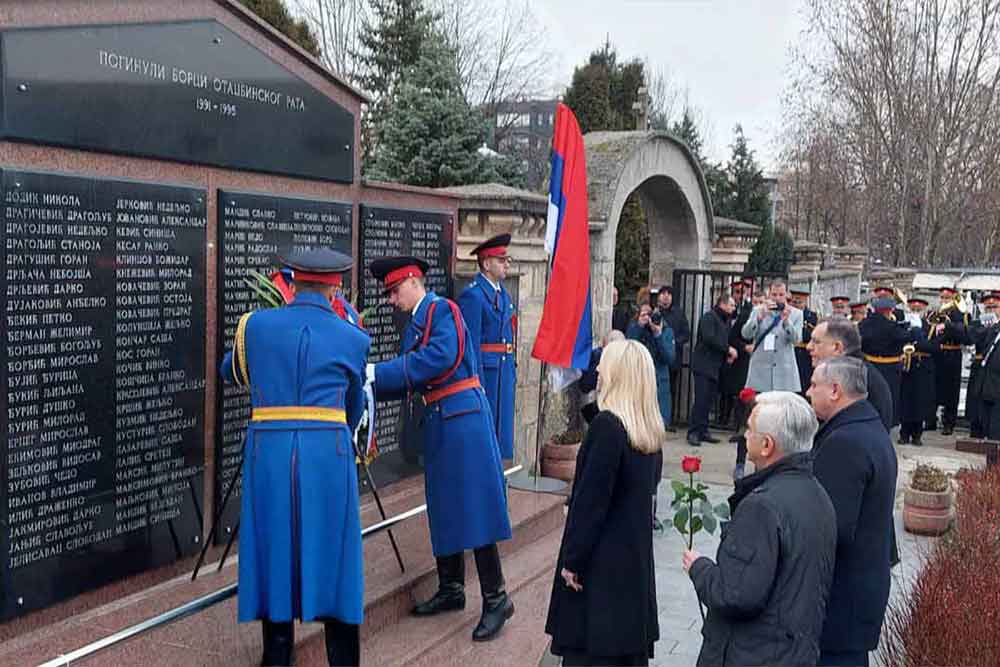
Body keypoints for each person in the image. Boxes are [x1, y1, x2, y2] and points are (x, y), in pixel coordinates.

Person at [220, 248, 368, 667]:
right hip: (328, 455)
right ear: (335, 284)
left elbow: (230, 370)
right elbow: (353, 408)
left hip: (270, 453)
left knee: (274, 548)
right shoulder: (352, 337)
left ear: (292, 280)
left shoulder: (256, 326)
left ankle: (278, 654)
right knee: (334, 556)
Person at [367, 256, 514, 642]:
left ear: (413, 282)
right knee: (446, 506)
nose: (391, 300)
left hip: (463, 420)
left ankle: (497, 598)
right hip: (442, 421)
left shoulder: (442, 310)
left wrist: (376, 373)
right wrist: (367, 384)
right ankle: (452, 588)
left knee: (475, 508)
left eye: (394, 291)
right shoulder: (419, 319)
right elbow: (409, 375)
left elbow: (437, 359)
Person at [682, 391, 836, 667]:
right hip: (794, 651)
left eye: (749, 430)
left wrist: (700, 567)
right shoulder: (818, 494)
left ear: (767, 445)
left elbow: (735, 595)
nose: (743, 436)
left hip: (753, 655)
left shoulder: (762, 506)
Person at [546, 339, 664, 666]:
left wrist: (573, 561)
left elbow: (591, 504)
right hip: (630, 571)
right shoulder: (646, 431)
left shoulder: (608, 428)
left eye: (604, 364)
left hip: (600, 576)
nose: (597, 369)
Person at [807, 356, 898, 667]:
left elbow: (830, 527)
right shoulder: (868, 427)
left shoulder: (845, 441)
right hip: (858, 595)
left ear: (835, 390)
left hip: (841, 601)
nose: (808, 392)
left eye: (814, 385)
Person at [457, 233, 517, 461]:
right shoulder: (473, 296)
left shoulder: (503, 295)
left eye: (507, 259)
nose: (507, 264)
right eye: (501, 260)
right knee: (485, 437)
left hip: (503, 373)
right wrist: (476, 381)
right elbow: (470, 345)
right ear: (486, 263)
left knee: (501, 440)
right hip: (487, 376)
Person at [807, 316, 894, 432]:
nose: (809, 347)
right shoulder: (856, 369)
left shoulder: (851, 378)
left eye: (816, 342)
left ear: (837, 347)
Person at [859, 296, 922, 428]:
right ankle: (886, 425)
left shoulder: (863, 324)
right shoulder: (891, 327)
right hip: (889, 369)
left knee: (870, 397)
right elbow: (908, 337)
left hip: (869, 365)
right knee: (888, 398)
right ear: (889, 311)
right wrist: (916, 327)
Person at [687, 294, 737, 446]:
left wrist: (726, 355)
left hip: (715, 366)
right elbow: (709, 338)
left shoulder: (725, 321)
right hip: (703, 365)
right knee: (701, 400)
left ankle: (703, 430)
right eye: (731, 305)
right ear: (722, 304)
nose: (733, 308)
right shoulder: (709, 317)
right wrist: (728, 349)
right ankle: (694, 432)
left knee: (708, 401)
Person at [741, 280, 803, 392]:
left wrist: (786, 322)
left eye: (781, 295)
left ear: (787, 295)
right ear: (769, 294)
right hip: (760, 372)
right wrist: (758, 318)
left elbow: (797, 340)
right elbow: (746, 334)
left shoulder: (796, 313)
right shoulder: (757, 310)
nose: (777, 298)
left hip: (784, 373)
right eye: (774, 294)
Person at [627, 303, 676, 428]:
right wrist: (639, 326)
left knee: (659, 425)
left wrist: (658, 335)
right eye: (645, 315)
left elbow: (669, 358)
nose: (649, 319)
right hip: (640, 382)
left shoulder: (667, 331)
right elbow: (629, 349)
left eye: (652, 315)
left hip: (659, 384)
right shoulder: (635, 328)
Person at [898, 298, 940, 446]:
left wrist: (917, 337)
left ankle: (917, 434)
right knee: (905, 401)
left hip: (923, 367)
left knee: (920, 402)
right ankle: (904, 433)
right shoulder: (903, 325)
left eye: (919, 306)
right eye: (912, 305)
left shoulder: (931, 327)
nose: (915, 307)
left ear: (924, 308)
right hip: (907, 367)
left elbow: (935, 347)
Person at [931, 286, 968, 435]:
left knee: (951, 390)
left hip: (952, 354)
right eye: (942, 298)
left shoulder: (959, 314)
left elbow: (964, 336)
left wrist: (949, 325)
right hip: (938, 353)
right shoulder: (936, 313)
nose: (944, 300)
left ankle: (949, 422)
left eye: (947, 298)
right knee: (934, 386)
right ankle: (930, 419)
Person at [719, 279, 753, 428]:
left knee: (741, 390)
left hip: (744, 358)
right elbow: (731, 335)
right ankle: (723, 419)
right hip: (729, 354)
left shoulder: (749, 310)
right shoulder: (730, 312)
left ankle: (738, 422)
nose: (740, 295)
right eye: (737, 292)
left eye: (743, 291)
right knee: (725, 389)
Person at [964, 293, 1000, 438]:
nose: (991, 310)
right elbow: (969, 336)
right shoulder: (979, 323)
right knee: (977, 405)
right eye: (988, 307)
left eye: (995, 307)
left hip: (995, 375)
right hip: (981, 368)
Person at [655, 285, 689, 424]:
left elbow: (686, 333)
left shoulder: (678, 314)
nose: (666, 296)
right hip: (657, 358)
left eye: (669, 293)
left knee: (671, 389)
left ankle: (670, 418)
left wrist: (674, 342)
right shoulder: (655, 313)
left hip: (673, 358)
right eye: (663, 293)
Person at [791, 289, 818, 395]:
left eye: (800, 302)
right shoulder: (788, 314)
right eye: (794, 302)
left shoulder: (812, 316)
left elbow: (810, 334)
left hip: (805, 354)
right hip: (792, 351)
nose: (797, 305)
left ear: (805, 302)